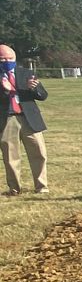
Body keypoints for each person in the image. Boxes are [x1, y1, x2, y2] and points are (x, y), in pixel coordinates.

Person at [0, 44, 49, 195]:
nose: (7, 61)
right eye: (3, 59)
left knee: (39, 153)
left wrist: (34, 88)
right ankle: (14, 189)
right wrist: (5, 90)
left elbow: (43, 96)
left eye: (10, 58)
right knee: (11, 156)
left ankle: (42, 187)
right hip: (7, 120)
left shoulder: (26, 73)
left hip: (29, 119)